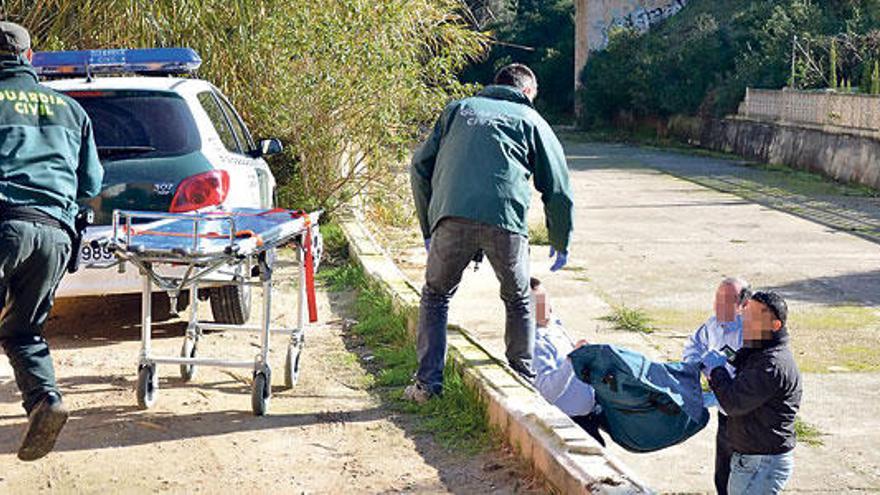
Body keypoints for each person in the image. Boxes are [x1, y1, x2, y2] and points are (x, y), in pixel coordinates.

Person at [405, 63, 574, 402]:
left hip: (451, 219)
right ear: (527, 92)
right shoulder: (531, 120)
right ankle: (524, 383)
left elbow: (419, 165)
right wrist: (560, 239)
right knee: (519, 299)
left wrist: (429, 226)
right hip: (506, 221)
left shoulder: (459, 109)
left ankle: (427, 386)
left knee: (436, 296)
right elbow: (557, 187)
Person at [0, 22, 103, 460]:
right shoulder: (71, 110)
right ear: (28, 58)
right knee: (23, 331)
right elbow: (90, 183)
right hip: (54, 235)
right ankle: (46, 400)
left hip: (3, 223)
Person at [702, 291, 802, 495]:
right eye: (745, 316)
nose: (745, 323)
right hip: (753, 459)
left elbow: (732, 403)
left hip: (762, 464)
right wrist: (724, 359)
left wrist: (716, 370)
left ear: (775, 326)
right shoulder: (759, 351)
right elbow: (740, 362)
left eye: (754, 319)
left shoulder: (771, 365)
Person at [682, 277, 751, 495]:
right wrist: (697, 365)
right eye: (717, 298)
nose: (719, 305)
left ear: (743, 305)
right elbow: (694, 345)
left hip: (746, 415)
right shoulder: (712, 325)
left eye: (727, 300)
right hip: (724, 412)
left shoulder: (751, 334)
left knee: (743, 476)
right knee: (722, 473)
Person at [529, 278, 604, 446]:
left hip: (591, 412)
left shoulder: (553, 325)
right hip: (569, 424)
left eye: (546, 300)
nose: (546, 309)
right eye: (538, 305)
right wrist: (572, 360)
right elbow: (547, 392)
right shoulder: (534, 343)